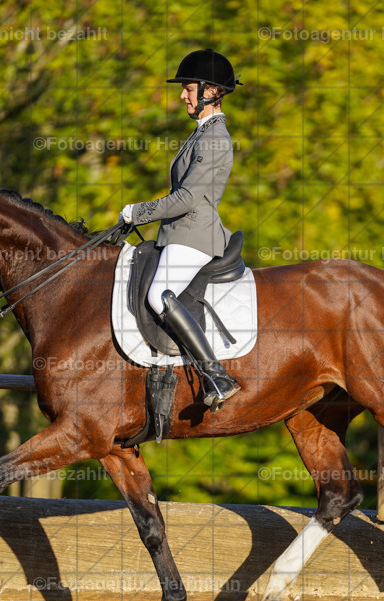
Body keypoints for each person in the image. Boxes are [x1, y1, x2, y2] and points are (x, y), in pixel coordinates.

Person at [119, 48, 242, 411]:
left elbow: (187, 198)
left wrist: (138, 212)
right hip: (179, 232)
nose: (182, 95)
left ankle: (216, 375)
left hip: (195, 233)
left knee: (159, 295)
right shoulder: (202, 132)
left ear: (211, 91)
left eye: (189, 89)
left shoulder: (215, 137)